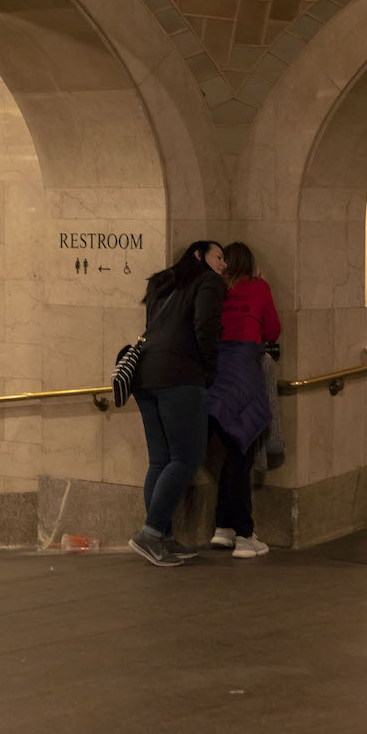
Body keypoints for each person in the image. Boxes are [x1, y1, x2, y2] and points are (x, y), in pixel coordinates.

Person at [129, 240, 226, 567]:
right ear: (199, 255)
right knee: (187, 458)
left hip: (145, 375)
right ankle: (151, 534)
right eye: (219, 256)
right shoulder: (208, 281)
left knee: (160, 461)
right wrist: (209, 367)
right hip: (179, 377)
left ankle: (163, 538)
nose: (223, 264)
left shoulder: (163, 283)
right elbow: (205, 327)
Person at [207, 242, 281, 559]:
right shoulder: (259, 287)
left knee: (231, 454)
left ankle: (223, 528)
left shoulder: (213, 290)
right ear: (250, 264)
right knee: (243, 457)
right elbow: (274, 331)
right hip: (243, 374)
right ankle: (245, 536)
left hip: (214, 378)